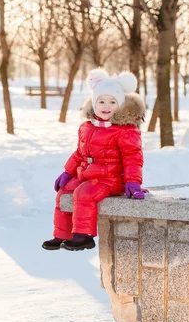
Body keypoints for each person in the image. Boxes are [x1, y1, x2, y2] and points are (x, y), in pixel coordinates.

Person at [43, 68, 146, 251]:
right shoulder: (87, 127)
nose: (106, 106)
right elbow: (79, 153)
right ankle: (62, 235)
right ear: (94, 103)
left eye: (112, 102)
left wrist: (132, 182)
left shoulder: (125, 131)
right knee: (64, 192)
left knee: (84, 193)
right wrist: (67, 172)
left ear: (120, 105)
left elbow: (133, 158)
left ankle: (84, 236)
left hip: (111, 179)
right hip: (88, 175)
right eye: (102, 101)